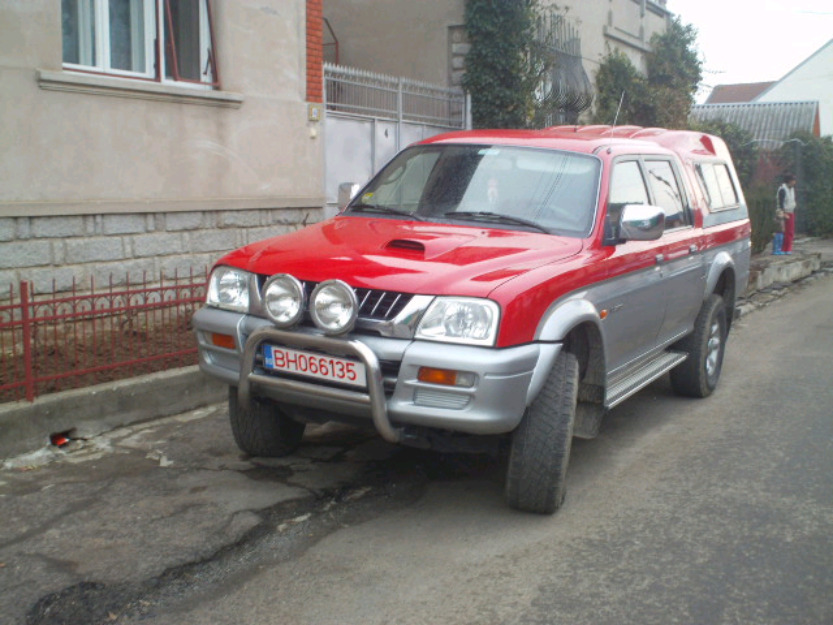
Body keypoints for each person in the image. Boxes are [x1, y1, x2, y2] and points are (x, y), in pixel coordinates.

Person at [776, 173, 797, 254]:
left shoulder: (792, 189)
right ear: (789, 181)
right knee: (783, 231)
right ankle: (783, 248)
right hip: (783, 212)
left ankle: (787, 248)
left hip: (790, 211)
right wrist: (784, 213)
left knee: (790, 231)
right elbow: (781, 202)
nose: (794, 182)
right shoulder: (782, 189)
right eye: (793, 180)